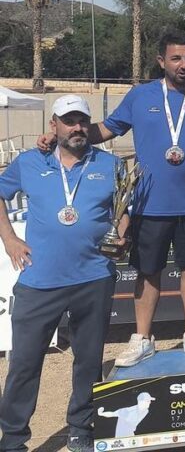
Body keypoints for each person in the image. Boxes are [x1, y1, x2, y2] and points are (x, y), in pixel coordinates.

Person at [34, 31, 185, 366]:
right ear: (161, 61)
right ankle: (142, 338)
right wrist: (59, 135)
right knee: (148, 271)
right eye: (176, 58)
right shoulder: (140, 95)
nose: (183, 65)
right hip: (149, 202)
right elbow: (106, 129)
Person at [0, 96, 126, 452]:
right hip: (40, 281)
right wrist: (9, 239)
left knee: (88, 360)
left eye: (82, 120)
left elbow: (123, 208)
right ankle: (13, 439)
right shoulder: (29, 162)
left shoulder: (110, 164)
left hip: (94, 277)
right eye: (69, 121)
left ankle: (81, 428)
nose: (77, 128)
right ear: (53, 125)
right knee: (25, 363)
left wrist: (122, 234)